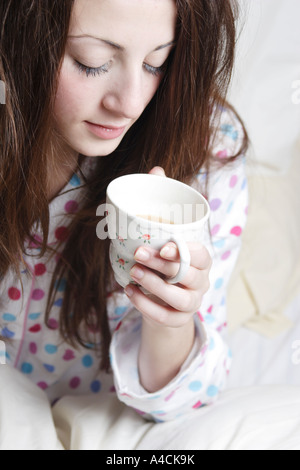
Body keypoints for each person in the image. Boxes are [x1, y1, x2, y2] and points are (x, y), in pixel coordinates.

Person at [0, 0, 248, 428]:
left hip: (100, 421)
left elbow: (180, 402)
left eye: (156, 62)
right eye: (91, 62)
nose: (129, 103)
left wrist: (171, 320)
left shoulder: (207, 147)